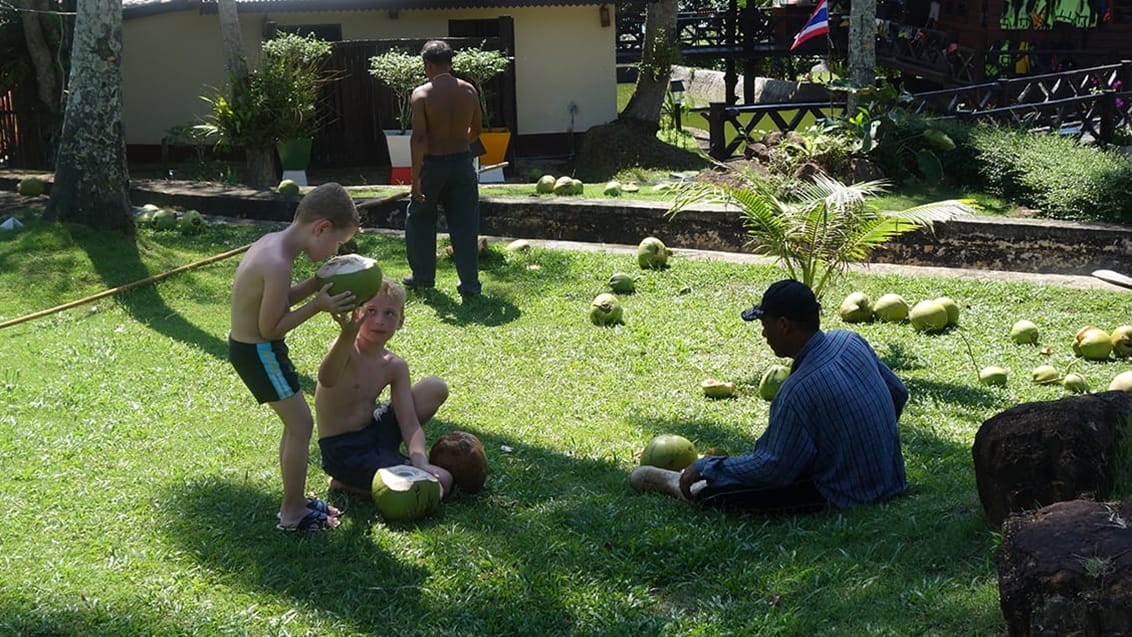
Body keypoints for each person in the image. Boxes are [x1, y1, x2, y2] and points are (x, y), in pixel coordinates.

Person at [630, 279, 908, 514]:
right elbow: (898, 392)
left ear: (784, 324)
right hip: (892, 477)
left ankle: (675, 483)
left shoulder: (798, 390)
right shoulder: (849, 340)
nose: (763, 333)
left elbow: (773, 469)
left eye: (765, 323)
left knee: (728, 493)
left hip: (850, 495)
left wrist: (706, 466)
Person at [228, 182, 360, 532]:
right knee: (301, 425)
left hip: (254, 349)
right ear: (322, 228)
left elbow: (279, 299)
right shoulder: (278, 262)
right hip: (260, 351)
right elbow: (271, 327)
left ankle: (296, 500)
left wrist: (316, 282)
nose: (335, 250)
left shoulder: (272, 244)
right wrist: (318, 306)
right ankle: (291, 513)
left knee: (296, 425)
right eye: (337, 243)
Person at [315, 279, 454, 497]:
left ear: (401, 321)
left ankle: (388, 468)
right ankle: (344, 482)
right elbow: (326, 378)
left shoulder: (394, 366)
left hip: (374, 434)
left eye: (389, 314)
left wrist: (421, 463)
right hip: (343, 450)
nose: (379, 321)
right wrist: (346, 334)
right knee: (430, 488)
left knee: (435, 387)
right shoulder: (345, 349)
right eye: (371, 311)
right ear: (357, 313)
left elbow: (408, 422)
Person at [403, 39, 484, 298]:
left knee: (420, 220)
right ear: (450, 63)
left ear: (427, 65)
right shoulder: (469, 91)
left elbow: (418, 139)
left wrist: (415, 179)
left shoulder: (422, 94)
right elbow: (477, 131)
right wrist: (459, 141)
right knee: (465, 224)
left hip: (433, 167)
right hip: (462, 163)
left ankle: (423, 278)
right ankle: (470, 285)